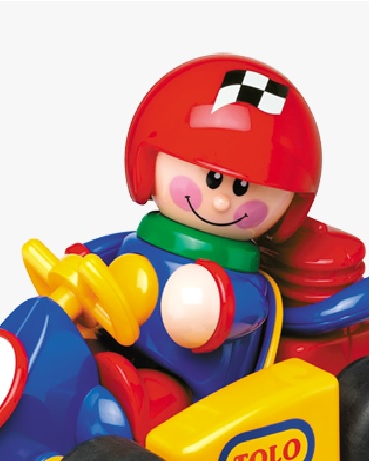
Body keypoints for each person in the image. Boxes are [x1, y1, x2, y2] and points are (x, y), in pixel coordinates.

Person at [66, 54, 324, 440]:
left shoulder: (247, 283)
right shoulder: (138, 241)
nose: (220, 202)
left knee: (139, 402)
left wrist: (210, 307)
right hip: (111, 347)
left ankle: (107, 445)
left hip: (187, 393)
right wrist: (80, 263)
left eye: (242, 188)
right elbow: (96, 259)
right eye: (212, 179)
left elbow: (234, 312)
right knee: (64, 352)